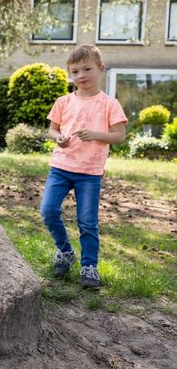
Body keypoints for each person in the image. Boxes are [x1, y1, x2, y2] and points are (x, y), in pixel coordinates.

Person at [40, 44, 127, 290]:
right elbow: (52, 129)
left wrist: (95, 134)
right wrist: (57, 138)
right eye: (75, 71)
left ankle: (90, 265)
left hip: (89, 173)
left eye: (87, 69)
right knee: (47, 210)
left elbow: (119, 135)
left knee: (87, 222)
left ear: (101, 69)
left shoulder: (110, 104)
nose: (81, 76)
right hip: (60, 167)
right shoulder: (63, 101)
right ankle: (65, 251)